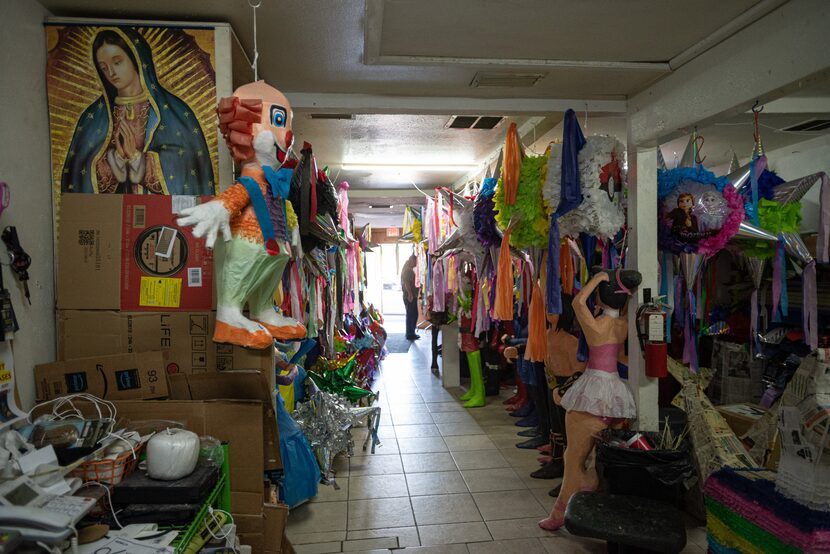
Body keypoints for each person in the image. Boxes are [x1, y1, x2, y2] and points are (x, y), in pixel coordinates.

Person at [539, 267, 641, 532]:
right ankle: (591, 504)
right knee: (600, 458)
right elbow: (619, 355)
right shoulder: (621, 325)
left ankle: (559, 513)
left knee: (573, 457)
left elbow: (576, 302)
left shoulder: (596, 325)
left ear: (601, 296)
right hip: (616, 395)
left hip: (592, 393)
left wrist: (597, 279)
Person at [61, 28, 214, 195]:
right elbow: (78, 176)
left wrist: (137, 159)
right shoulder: (92, 118)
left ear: (137, 59)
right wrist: (116, 160)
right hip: (111, 217)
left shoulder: (174, 112)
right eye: (104, 68)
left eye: (117, 62)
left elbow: (187, 169)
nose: (111, 73)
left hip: (160, 217)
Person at [401, 253, 419, 340]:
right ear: (412, 260)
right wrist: (410, 294)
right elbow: (406, 283)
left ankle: (411, 332)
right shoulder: (408, 270)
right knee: (412, 314)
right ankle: (410, 334)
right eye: (416, 262)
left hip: (409, 295)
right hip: (409, 296)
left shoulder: (407, 269)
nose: (416, 264)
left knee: (412, 314)